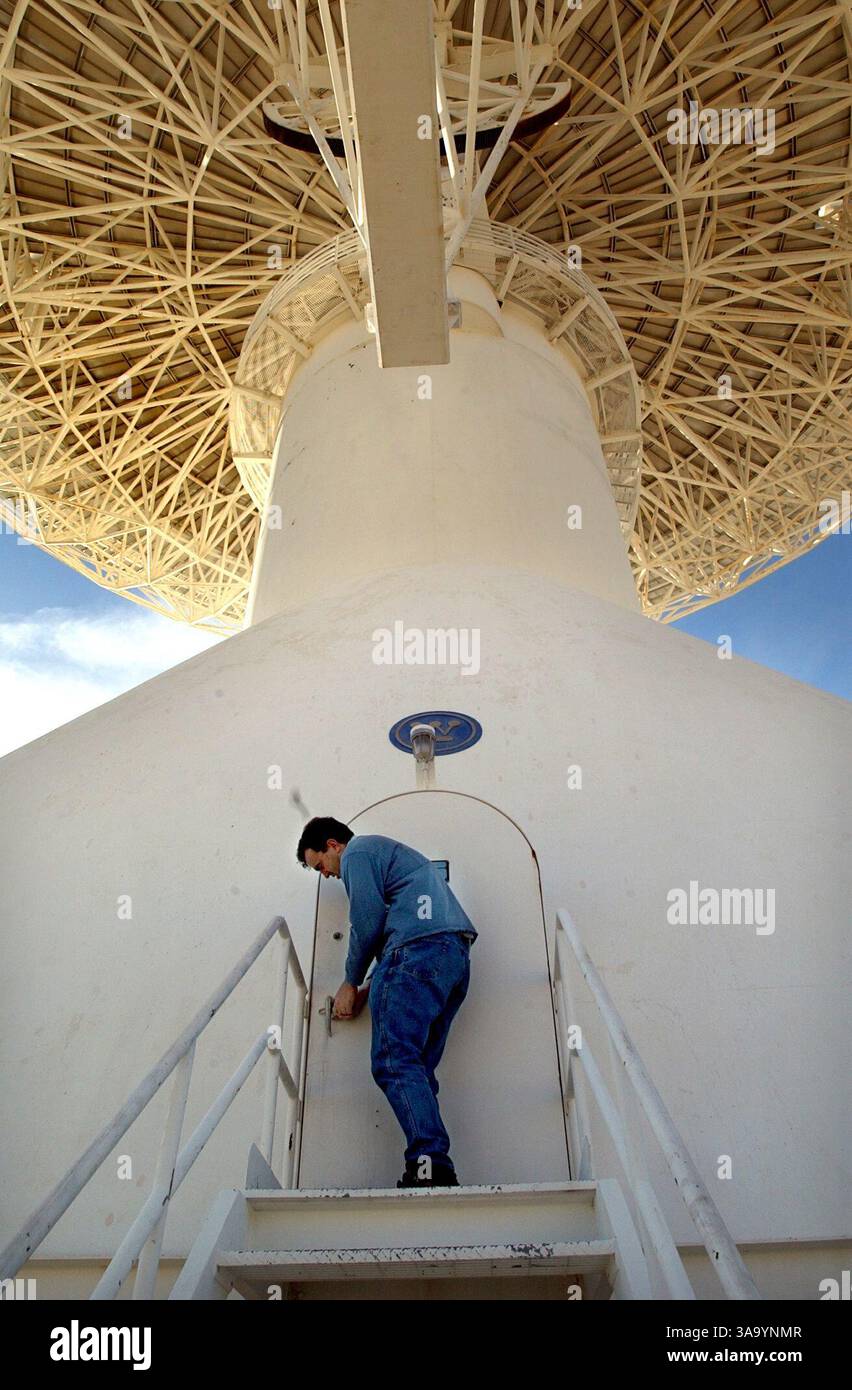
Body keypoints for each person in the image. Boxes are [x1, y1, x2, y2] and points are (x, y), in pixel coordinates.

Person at [297, 817, 477, 1188]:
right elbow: (402, 927)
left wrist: (350, 982)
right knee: (417, 1066)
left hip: (415, 954)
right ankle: (433, 1163)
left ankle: (429, 1164)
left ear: (333, 845)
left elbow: (367, 919)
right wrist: (379, 978)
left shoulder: (357, 852)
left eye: (320, 865)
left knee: (393, 1060)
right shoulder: (393, 857)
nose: (327, 875)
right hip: (452, 957)